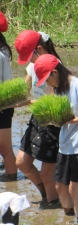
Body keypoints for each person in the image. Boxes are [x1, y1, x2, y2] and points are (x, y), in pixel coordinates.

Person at [34, 54, 78, 222]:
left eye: (47, 79)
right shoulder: (58, 89)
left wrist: (68, 120)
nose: (47, 83)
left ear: (55, 72)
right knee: (59, 186)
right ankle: (68, 218)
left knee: (73, 188)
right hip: (65, 144)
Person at [13, 30, 62, 208]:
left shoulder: (54, 68)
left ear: (39, 49)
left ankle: (52, 203)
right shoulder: (33, 66)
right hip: (37, 117)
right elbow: (24, 89)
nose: (29, 61)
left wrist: (26, 103)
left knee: (47, 173)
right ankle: (45, 193)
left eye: (29, 56)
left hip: (51, 122)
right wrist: (9, 100)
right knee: (21, 162)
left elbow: (49, 100)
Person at [0, 12, 17, 182]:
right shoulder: (3, 49)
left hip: (2, 105)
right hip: (5, 104)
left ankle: (11, 178)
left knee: (4, 148)